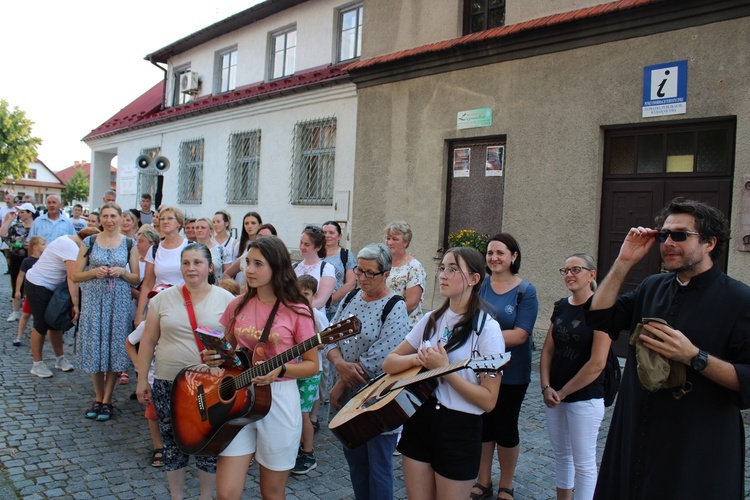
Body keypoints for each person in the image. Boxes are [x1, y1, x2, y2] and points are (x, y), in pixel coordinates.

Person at [585, 198, 750, 499]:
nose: (668, 242)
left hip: (697, 449)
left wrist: (693, 357)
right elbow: (600, 315)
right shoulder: (652, 286)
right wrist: (624, 261)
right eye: (664, 235)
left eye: (680, 235)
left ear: (710, 242)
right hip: (638, 432)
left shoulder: (740, 300)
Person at [382, 247, 505, 499]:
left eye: (453, 269)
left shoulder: (487, 329)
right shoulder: (431, 320)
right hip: (420, 418)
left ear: (474, 279)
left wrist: (444, 370)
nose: (443, 275)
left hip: (460, 427)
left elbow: (489, 400)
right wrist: (419, 358)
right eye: (442, 268)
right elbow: (390, 363)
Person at [214, 235, 318, 500]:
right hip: (238, 397)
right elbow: (226, 349)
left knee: (271, 493)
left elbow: (311, 366)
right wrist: (214, 357)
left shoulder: (297, 310)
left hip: (279, 400)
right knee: (226, 493)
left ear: (277, 267)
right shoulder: (238, 304)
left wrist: (282, 370)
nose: (248, 270)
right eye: (248, 262)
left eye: (258, 264)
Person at [136, 243, 235, 500]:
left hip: (210, 384)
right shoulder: (161, 299)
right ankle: (176, 496)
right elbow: (147, 341)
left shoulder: (227, 301)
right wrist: (141, 379)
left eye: (197, 262)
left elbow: (233, 345)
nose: (191, 268)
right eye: (186, 263)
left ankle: (205, 496)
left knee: (207, 444)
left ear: (210, 267)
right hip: (169, 381)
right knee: (172, 443)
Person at [326, 242, 409, 499]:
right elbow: (329, 335)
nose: (362, 278)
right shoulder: (350, 297)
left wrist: (340, 384)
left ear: (386, 274)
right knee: (356, 464)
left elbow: (382, 355)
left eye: (369, 273)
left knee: (379, 467)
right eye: (358, 271)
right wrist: (339, 363)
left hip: (377, 400)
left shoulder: (395, 306)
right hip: (346, 396)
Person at [473, 233, 539, 500]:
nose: (494, 258)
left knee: (506, 426)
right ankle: (483, 480)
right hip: (479, 367)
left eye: (500, 253)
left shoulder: (526, 290)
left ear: (514, 256)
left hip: (512, 370)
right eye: (490, 253)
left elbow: (521, 334)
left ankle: (506, 483)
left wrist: (481, 338)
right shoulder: (480, 285)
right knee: (484, 425)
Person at [539, 253, 609, 500]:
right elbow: (548, 349)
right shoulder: (561, 306)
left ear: (592, 275)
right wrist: (546, 386)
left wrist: (563, 391)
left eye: (576, 269)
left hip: (585, 397)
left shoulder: (602, 310)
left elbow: (597, 363)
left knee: (584, 464)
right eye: (565, 270)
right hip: (554, 394)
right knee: (561, 456)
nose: (569, 275)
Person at [73, 202, 141, 421]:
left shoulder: (130, 243)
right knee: (95, 345)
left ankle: (107, 399)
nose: (109, 220)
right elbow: (76, 275)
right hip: (94, 300)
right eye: (105, 216)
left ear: (121, 218)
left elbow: (136, 278)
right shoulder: (89, 241)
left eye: (113, 216)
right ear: (100, 218)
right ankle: (97, 396)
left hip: (118, 302)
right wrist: (93, 272)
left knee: (113, 347)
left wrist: (122, 272)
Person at [24, 227, 100, 377]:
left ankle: (59, 359)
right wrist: (75, 304)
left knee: (55, 322)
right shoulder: (71, 248)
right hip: (37, 284)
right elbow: (73, 278)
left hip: (52, 285)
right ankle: (37, 364)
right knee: (41, 324)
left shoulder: (71, 240)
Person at [292, 274, 330, 476]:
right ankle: (295, 447)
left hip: (311, 372)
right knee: (294, 411)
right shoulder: (293, 313)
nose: (301, 298)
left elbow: (326, 341)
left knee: (304, 414)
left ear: (314, 295)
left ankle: (308, 453)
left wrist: (306, 344)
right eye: (297, 294)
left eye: (305, 294)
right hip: (294, 370)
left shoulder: (317, 315)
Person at [134, 206, 188, 326]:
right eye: (162, 218)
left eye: (169, 218)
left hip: (183, 305)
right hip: (158, 305)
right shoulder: (154, 249)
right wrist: (139, 314)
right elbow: (148, 284)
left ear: (179, 223)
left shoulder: (189, 247)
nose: (165, 221)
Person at [384, 221, 426, 329]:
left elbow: (412, 303)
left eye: (395, 239)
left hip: (404, 325)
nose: (389, 242)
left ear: (405, 242)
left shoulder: (414, 267)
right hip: (381, 324)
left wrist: (387, 318)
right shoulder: (383, 263)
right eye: (388, 238)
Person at [1, 202, 37, 322]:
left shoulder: (36, 226)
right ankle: (15, 311)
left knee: (31, 284)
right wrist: (9, 219)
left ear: (29, 213)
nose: (20, 214)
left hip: (32, 259)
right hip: (16, 257)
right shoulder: (16, 226)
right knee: (16, 281)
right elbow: (3, 233)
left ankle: (29, 309)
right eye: (19, 212)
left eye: (22, 212)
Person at [13, 235, 46, 346]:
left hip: (43, 292)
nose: (46, 246)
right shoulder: (27, 261)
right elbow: (21, 276)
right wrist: (17, 291)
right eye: (43, 244)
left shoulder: (46, 260)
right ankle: (19, 336)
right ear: (35, 247)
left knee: (46, 315)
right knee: (26, 314)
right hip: (31, 293)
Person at [294, 225, 336, 311]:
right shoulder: (294, 267)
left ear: (318, 247)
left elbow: (321, 301)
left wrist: (298, 311)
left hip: (314, 317)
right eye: (301, 242)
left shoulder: (327, 268)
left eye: (306, 244)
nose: (302, 247)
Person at [322, 220, 356, 320]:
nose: (327, 235)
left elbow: (350, 284)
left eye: (331, 233)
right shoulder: (314, 253)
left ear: (339, 236)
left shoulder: (346, 255)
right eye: (324, 233)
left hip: (336, 310)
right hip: (316, 309)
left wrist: (329, 300)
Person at [225, 223, 277, 288]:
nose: (262, 240)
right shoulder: (245, 257)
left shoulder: (278, 260)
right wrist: (234, 291)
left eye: (266, 237)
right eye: (260, 236)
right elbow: (227, 274)